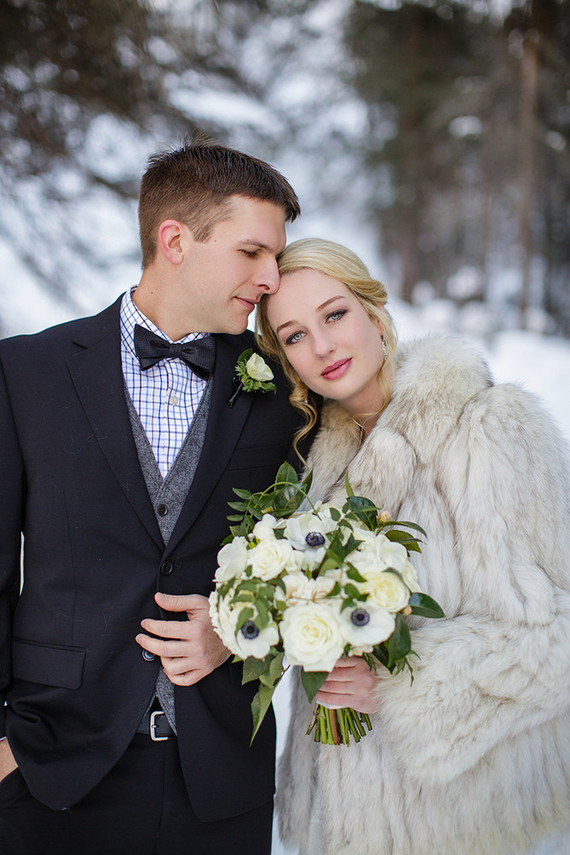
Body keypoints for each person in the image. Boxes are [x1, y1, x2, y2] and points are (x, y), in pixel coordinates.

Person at [0, 138, 303, 855]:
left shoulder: (288, 393)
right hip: (50, 772)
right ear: (175, 239)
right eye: (252, 253)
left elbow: (320, 555)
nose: (271, 279)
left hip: (221, 778)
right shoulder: (26, 372)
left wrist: (240, 631)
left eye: (278, 258)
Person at [256, 237, 570, 855]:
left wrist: (400, 687)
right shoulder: (316, 468)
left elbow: (558, 633)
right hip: (338, 820)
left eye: (334, 314)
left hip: (460, 820)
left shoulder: (491, 428)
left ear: (375, 313)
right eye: (293, 336)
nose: (321, 346)